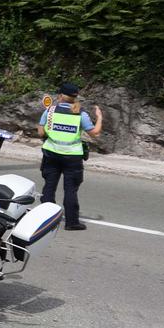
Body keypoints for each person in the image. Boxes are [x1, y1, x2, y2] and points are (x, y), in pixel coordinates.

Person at [39, 82, 102, 231]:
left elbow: (41, 133)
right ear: (75, 97)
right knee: (70, 190)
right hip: (72, 157)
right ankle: (72, 222)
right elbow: (95, 133)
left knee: (49, 187)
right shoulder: (80, 114)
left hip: (51, 153)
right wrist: (99, 117)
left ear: (60, 96)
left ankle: (45, 219)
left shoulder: (50, 111)